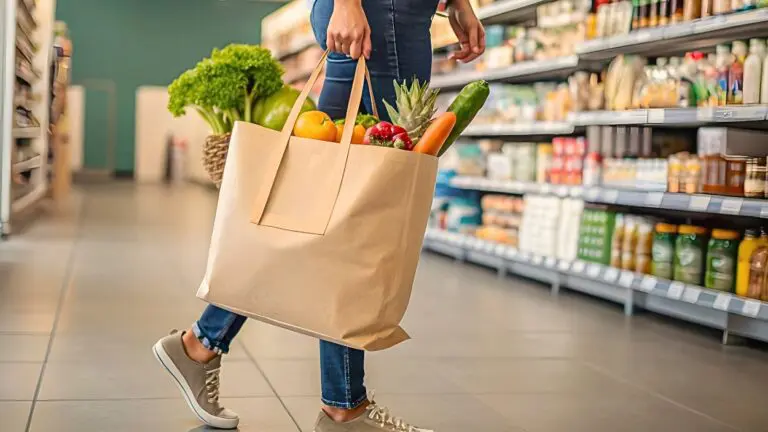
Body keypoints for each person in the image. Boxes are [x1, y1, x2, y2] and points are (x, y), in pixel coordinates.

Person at [153, 0, 484, 429]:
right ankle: (341, 406)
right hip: (380, 14)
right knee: (355, 209)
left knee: (333, 202)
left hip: (401, 17)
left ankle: (205, 344)